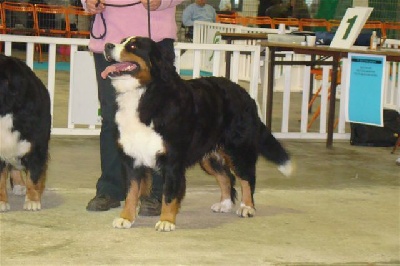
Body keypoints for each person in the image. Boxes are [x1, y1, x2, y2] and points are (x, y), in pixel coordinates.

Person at [82, 0, 184, 214]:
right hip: (109, 42)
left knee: (160, 121)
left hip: (152, 44)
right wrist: (87, 2)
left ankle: (158, 192)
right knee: (112, 119)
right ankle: (110, 189)